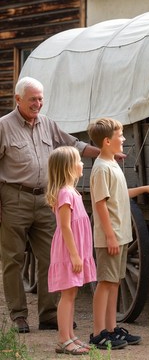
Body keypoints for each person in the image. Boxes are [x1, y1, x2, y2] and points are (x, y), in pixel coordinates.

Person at [0, 76, 101, 333]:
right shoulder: (3, 126)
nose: (38, 104)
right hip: (13, 198)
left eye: (41, 98)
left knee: (51, 257)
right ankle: (19, 316)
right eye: (33, 99)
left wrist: (102, 152)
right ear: (18, 99)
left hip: (47, 199)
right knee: (13, 259)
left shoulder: (47, 124)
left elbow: (72, 145)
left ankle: (49, 315)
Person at [87, 117, 149, 349]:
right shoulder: (101, 169)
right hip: (110, 237)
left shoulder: (111, 165)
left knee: (114, 283)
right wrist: (109, 235)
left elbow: (120, 193)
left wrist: (144, 189)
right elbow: (100, 204)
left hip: (121, 236)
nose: (123, 139)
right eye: (120, 136)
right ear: (108, 141)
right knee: (105, 282)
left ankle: (111, 330)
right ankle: (97, 333)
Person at [46, 146, 97, 355]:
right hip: (69, 251)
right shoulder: (65, 193)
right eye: (78, 160)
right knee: (67, 295)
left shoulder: (71, 190)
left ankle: (69, 336)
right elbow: (65, 226)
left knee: (71, 293)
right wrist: (75, 255)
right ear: (68, 167)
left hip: (74, 249)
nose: (82, 164)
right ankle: (63, 339)